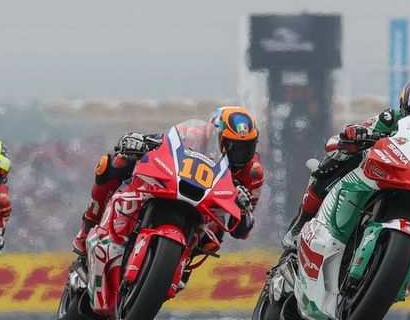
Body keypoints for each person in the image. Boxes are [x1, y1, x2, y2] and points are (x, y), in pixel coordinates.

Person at [279, 74, 410, 258]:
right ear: (406, 110)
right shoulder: (391, 118)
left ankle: (402, 270)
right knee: (336, 161)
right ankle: (303, 220)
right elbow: (352, 134)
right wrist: (354, 136)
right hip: (391, 172)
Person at [72, 106, 265, 256]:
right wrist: (139, 140)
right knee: (114, 163)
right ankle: (88, 225)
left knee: (211, 241)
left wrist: (241, 207)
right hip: (173, 183)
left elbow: (242, 231)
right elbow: (161, 141)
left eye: (247, 146)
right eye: (232, 145)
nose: (239, 153)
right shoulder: (195, 135)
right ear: (215, 134)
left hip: (205, 211)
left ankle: (177, 270)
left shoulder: (253, 173)